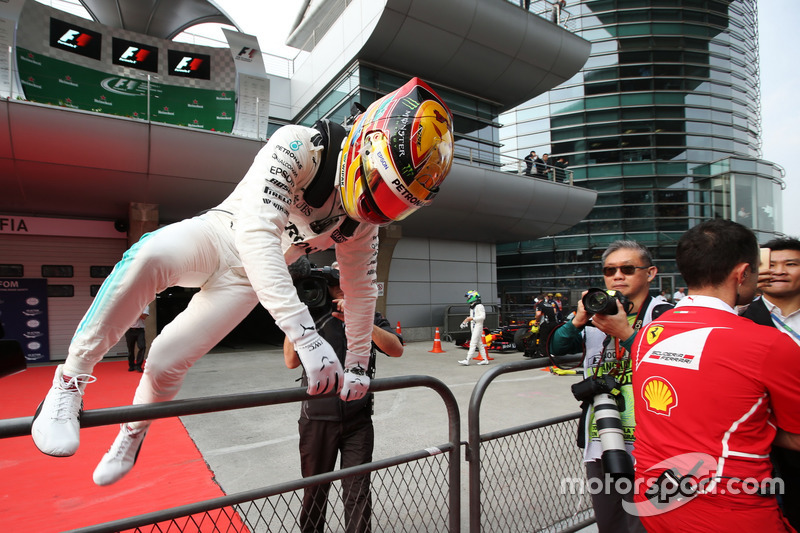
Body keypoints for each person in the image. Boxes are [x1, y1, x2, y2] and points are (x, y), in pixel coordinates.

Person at [29, 77, 454, 486]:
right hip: (221, 236)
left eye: (396, 202)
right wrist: (305, 336)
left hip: (249, 283)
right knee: (149, 256)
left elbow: (361, 289)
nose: (376, 206)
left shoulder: (365, 221)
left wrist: (358, 363)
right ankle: (69, 379)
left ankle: (132, 434)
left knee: (164, 360)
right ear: (363, 140)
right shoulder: (297, 144)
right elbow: (256, 238)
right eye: (378, 183)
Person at [630, 220, 800, 531]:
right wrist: (756, 424)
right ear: (743, 273)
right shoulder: (768, 343)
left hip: (655, 498)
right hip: (730, 507)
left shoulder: (648, 333)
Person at [548, 240, 670, 533]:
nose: (617, 276)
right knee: (610, 523)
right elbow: (556, 349)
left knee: (648, 524)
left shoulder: (664, 314)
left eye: (627, 269)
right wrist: (578, 319)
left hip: (653, 445)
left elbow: (670, 369)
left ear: (650, 273)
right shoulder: (595, 316)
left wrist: (626, 333)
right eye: (609, 270)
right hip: (602, 439)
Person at [283, 259, 403, 533]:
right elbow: (290, 361)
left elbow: (396, 348)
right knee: (314, 490)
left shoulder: (367, 313)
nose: (340, 289)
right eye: (336, 284)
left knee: (357, 491)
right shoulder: (310, 315)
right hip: (317, 420)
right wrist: (296, 318)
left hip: (358, 420)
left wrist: (359, 320)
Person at [742, 236, 800, 530]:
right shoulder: (740, 320)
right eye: (770, 264)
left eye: (790, 264)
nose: (778, 271)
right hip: (768, 449)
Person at [458, 290, 489, 366]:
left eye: (469, 297)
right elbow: (472, 317)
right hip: (474, 326)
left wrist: (472, 319)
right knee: (479, 343)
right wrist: (466, 322)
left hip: (478, 326)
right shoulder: (472, 306)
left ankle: (467, 360)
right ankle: (485, 360)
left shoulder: (479, 306)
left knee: (473, 343)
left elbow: (482, 317)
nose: (467, 299)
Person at [124, 305, 150, 372]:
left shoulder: (145, 305)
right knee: (130, 349)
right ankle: (131, 365)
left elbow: (144, 317)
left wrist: (137, 311)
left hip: (140, 330)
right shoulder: (130, 304)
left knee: (142, 346)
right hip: (129, 330)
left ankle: (138, 365)